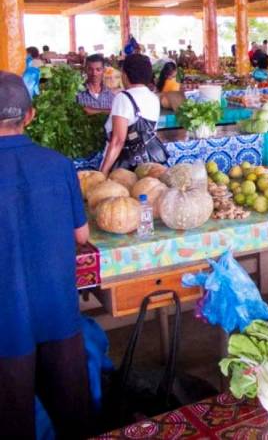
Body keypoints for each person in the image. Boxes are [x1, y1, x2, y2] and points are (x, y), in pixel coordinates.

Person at [0, 71, 92, 439]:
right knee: (75, 420)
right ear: (31, 115)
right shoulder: (59, 164)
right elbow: (81, 234)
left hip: (7, 324)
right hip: (58, 314)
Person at [99, 54, 162, 175]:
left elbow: (118, 141)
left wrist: (103, 172)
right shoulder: (154, 97)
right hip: (146, 165)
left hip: (124, 169)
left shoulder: (123, 98)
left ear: (125, 75)